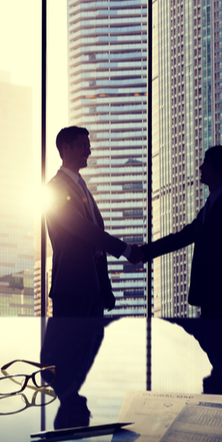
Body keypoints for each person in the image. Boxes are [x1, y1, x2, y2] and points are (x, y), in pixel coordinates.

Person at [139, 145, 222, 317]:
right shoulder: (209, 208)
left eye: (206, 162)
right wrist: (143, 252)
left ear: (219, 169)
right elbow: (182, 237)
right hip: (210, 299)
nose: (200, 167)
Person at [45, 126, 143, 318]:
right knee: (71, 346)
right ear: (66, 148)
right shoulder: (55, 188)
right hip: (71, 289)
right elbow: (83, 229)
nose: (88, 151)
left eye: (89, 146)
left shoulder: (82, 188)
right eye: (83, 145)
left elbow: (95, 248)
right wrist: (125, 250)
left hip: (93, 290)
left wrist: (104, 288)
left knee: (90, 347)